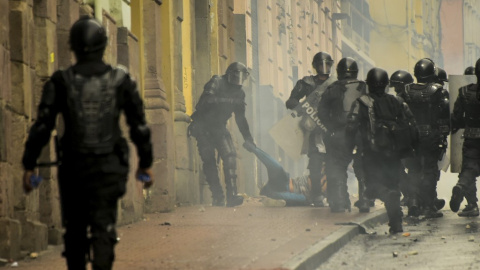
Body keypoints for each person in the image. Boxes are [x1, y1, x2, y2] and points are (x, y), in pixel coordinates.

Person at [21, 16, 153, 270]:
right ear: (103, 45)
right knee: (104, 223)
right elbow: (139, 126)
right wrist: (145, 164)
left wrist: (30, 164)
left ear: (73, 46)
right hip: (110, 166)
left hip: (74, 166)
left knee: (75, 229)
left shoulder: (61, 81)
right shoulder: (120, 80)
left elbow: (42, 126)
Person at [346, 68, 414, 234]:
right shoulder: (397, 101)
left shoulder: (361, 102)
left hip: (371, 153)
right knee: (393, 185)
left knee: (373, 186)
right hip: (393, 153)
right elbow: (410, 122)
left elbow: (351, 126)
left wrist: (350, 147)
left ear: (368, 84)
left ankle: (386, 196)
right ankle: (396, 224)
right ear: (385, 84)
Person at [189, 62, 254, 207]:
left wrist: (248, 138)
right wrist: (225, 100)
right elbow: (203, 103)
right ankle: (217, 196)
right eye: (236, 76)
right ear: (229, 74)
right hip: (203, 126)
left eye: (241, 77)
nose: (238, 80)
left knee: (230, 156)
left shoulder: (240, 93)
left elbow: (240, 118)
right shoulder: (216, 81)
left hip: (219, 127)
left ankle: (232, 196)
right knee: (209, 161)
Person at [399, 58, 450, 218]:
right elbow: (445, 114)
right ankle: (428, 206)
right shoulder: (438, 90)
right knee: (429, 170)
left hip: (410, 136)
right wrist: (443, 135)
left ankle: (413, 202)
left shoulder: (405, 91)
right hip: (430, 136)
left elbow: (398, 112)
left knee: (413, 169)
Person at [317, 57, 369, 213]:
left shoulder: (332, 89)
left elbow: (322, 112)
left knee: (337, 166)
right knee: (363, 166)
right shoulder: (364, 87)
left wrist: (331, 128)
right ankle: (365, 200)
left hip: (339, 133)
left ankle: (340, 202)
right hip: (361, 132)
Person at [285, 51, 336, 207]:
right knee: (315, 163)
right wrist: (304, 109)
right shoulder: (306, 84)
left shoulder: (335, 85)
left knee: (333, 164)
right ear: (315, 66)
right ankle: (317, 196)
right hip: (313, 129)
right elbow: (291, 101)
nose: (324, 68)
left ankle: (334, 195)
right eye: (321, 64)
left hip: (332, 130)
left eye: (327, 64)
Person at [243, 141, 326, 206]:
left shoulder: (330, 180)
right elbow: (312, 182)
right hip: (285, 182)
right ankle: (254, 149)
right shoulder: (318, 170)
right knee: (277, 168)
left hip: (299, 196)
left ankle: (270, 196)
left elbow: (318, 189)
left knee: (297, 199)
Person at [449, 58, 480, 217]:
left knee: (468, 170)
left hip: (472, 136)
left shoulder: (464, 92)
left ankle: (470, 201)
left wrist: (458, 126)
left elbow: (456, 118)